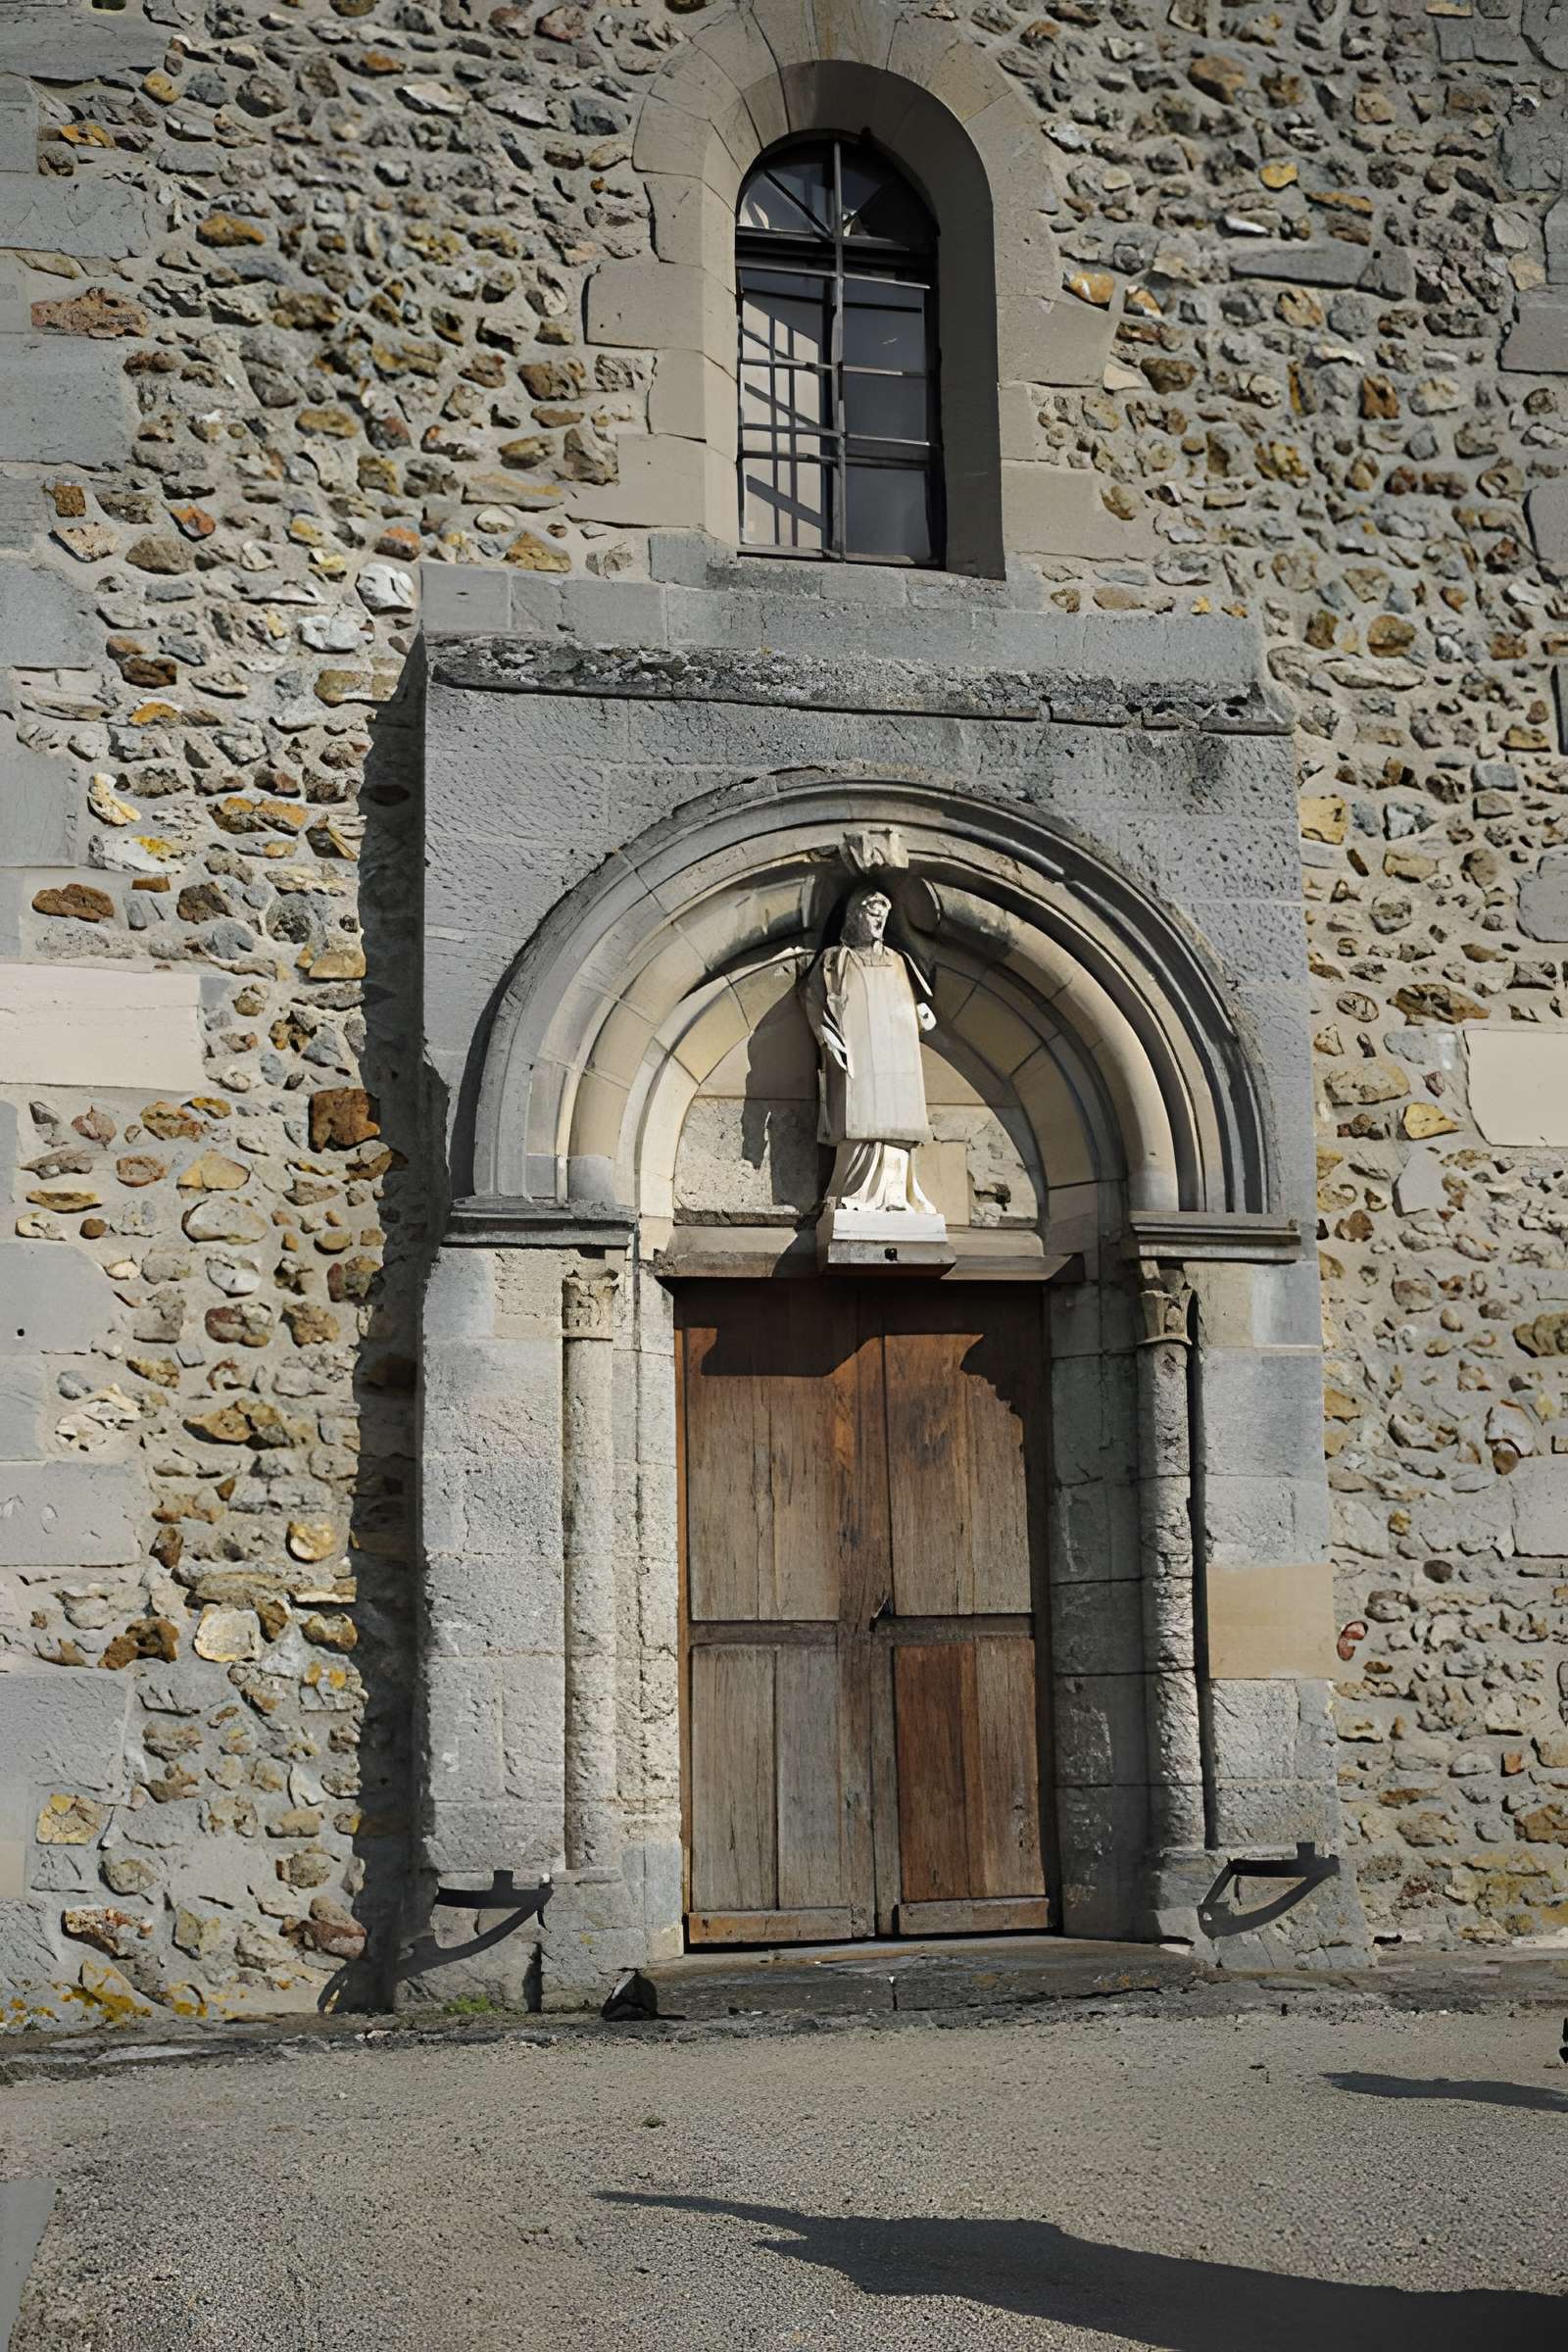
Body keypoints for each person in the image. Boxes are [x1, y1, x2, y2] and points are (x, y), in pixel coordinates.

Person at [800, 884, 942, 1219]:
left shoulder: (899, 961)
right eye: (870, 913)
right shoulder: (835, 959)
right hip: (857, 1051)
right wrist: (825, 1038)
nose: (877, 920)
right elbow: (812, 999)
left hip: (898, 1055)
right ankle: (856, 1191)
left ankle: (898, 1195)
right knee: (860, 1115)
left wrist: (923, 1016)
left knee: (897, 1120)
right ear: (854, 917)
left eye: (882, 915)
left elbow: (912, 1003)